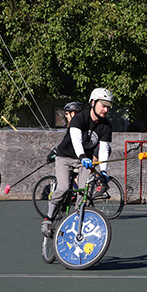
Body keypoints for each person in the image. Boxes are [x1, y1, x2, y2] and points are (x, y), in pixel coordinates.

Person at [41, 89, 113, 237]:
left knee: (85, 191)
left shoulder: (106, 126)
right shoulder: (79, 118)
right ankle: (48, 219)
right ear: (93, 103)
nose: (105, 109)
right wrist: (82, 157)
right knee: (63, 188)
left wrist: (104, 171)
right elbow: (76, 140)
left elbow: (104, 150)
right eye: (103, 105)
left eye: (108, 107)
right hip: (66, 157)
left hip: (84, 162)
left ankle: (77, 220)